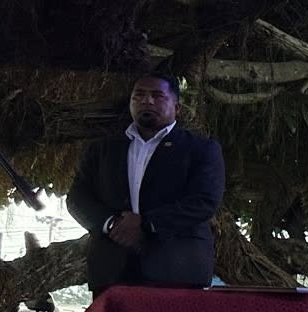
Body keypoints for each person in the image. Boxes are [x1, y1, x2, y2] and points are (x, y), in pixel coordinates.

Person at [67, 73, 224, 294]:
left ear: (177, 108)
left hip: (178, 270)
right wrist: (111, 224)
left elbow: (204, 201)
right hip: (112, 271)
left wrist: (146, 224)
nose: (147, 101)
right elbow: (77, 198)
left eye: (157, 96)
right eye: (138, 95)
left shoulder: (201, 149)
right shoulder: (103, 149)